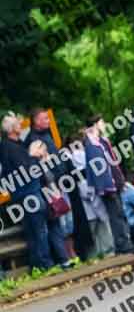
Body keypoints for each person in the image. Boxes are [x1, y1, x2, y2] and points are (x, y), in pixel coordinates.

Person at [0, 114, 69, 271]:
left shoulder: (16, 145)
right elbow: (24, 171)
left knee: (35, 230)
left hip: (29, 192)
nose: (20, 125)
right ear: (11, 129)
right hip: (27, 194)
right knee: (39, 230)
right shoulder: (8, 147)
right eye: (17, 124)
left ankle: (39, 264)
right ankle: (44, 264)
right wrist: (33, 156)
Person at [25, 108, 73, 256]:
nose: (48, 121)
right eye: (45, 118)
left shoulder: (46, 135)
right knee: (60, 220)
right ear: (36, 121)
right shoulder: (34, 140)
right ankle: (67, 255)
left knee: (66, 220)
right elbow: (43, 166)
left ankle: (69, 253)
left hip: (59, 181)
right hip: (51, 185)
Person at [84, 115, 134, 254]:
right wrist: (105, 187)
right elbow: (98, 168)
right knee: (116, 215)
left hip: (114, 183)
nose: (104, 124)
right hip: (108, 187)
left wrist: (120, 180)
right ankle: (122, 244)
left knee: (120, 213)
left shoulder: (101, 141)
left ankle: (126, 241)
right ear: (94, 125)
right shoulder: (92, 145)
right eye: (101, 122)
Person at [67, 132, 115, 259]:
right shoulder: (80, 154)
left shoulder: (71, 156)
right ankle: (107, 251)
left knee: (93, 225)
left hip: (83, 188)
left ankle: (94, 254)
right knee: (101, 223)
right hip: (89, 187)